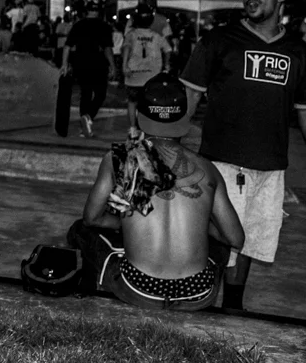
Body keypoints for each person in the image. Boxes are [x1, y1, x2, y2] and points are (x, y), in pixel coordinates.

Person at [181, 0, 306, 311]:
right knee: (218, 238)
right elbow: (189, 96)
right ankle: (198, 302)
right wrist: (158, 144)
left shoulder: (299, 52)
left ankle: (233, 308)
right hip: (222, 161)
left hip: (270, 165)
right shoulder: (219, 41)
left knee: (249, 240)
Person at [69, 74, 245, 311]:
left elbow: (92, 218)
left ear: (140, 117)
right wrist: (197, 226)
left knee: (81, 230)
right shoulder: (207, 169)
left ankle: (88, 296)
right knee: (220, 245)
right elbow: (235, 238)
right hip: (197, 291)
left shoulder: (123, 159)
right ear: (184, 118)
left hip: (139, 288)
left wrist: (127, 222)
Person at [60, 0, 112, 138]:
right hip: (99, 64)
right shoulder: (104, 26)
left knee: (85, 94)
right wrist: (113, 66)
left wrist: (64, 64)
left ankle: (84, 126)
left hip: (80, 63)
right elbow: (107, 48)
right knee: (100, 95)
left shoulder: (78, 25)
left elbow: (67, 46)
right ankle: (88, 117)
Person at [121, 6, 172, 134]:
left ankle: (133, 128)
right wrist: (166, 65)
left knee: (132, 102)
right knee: (149, 103)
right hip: (152, 75)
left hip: (134, 74)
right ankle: (146, 129)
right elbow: (168, 49)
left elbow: (126, 49)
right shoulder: (157, 36)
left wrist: (124, 65)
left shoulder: (131, 35)